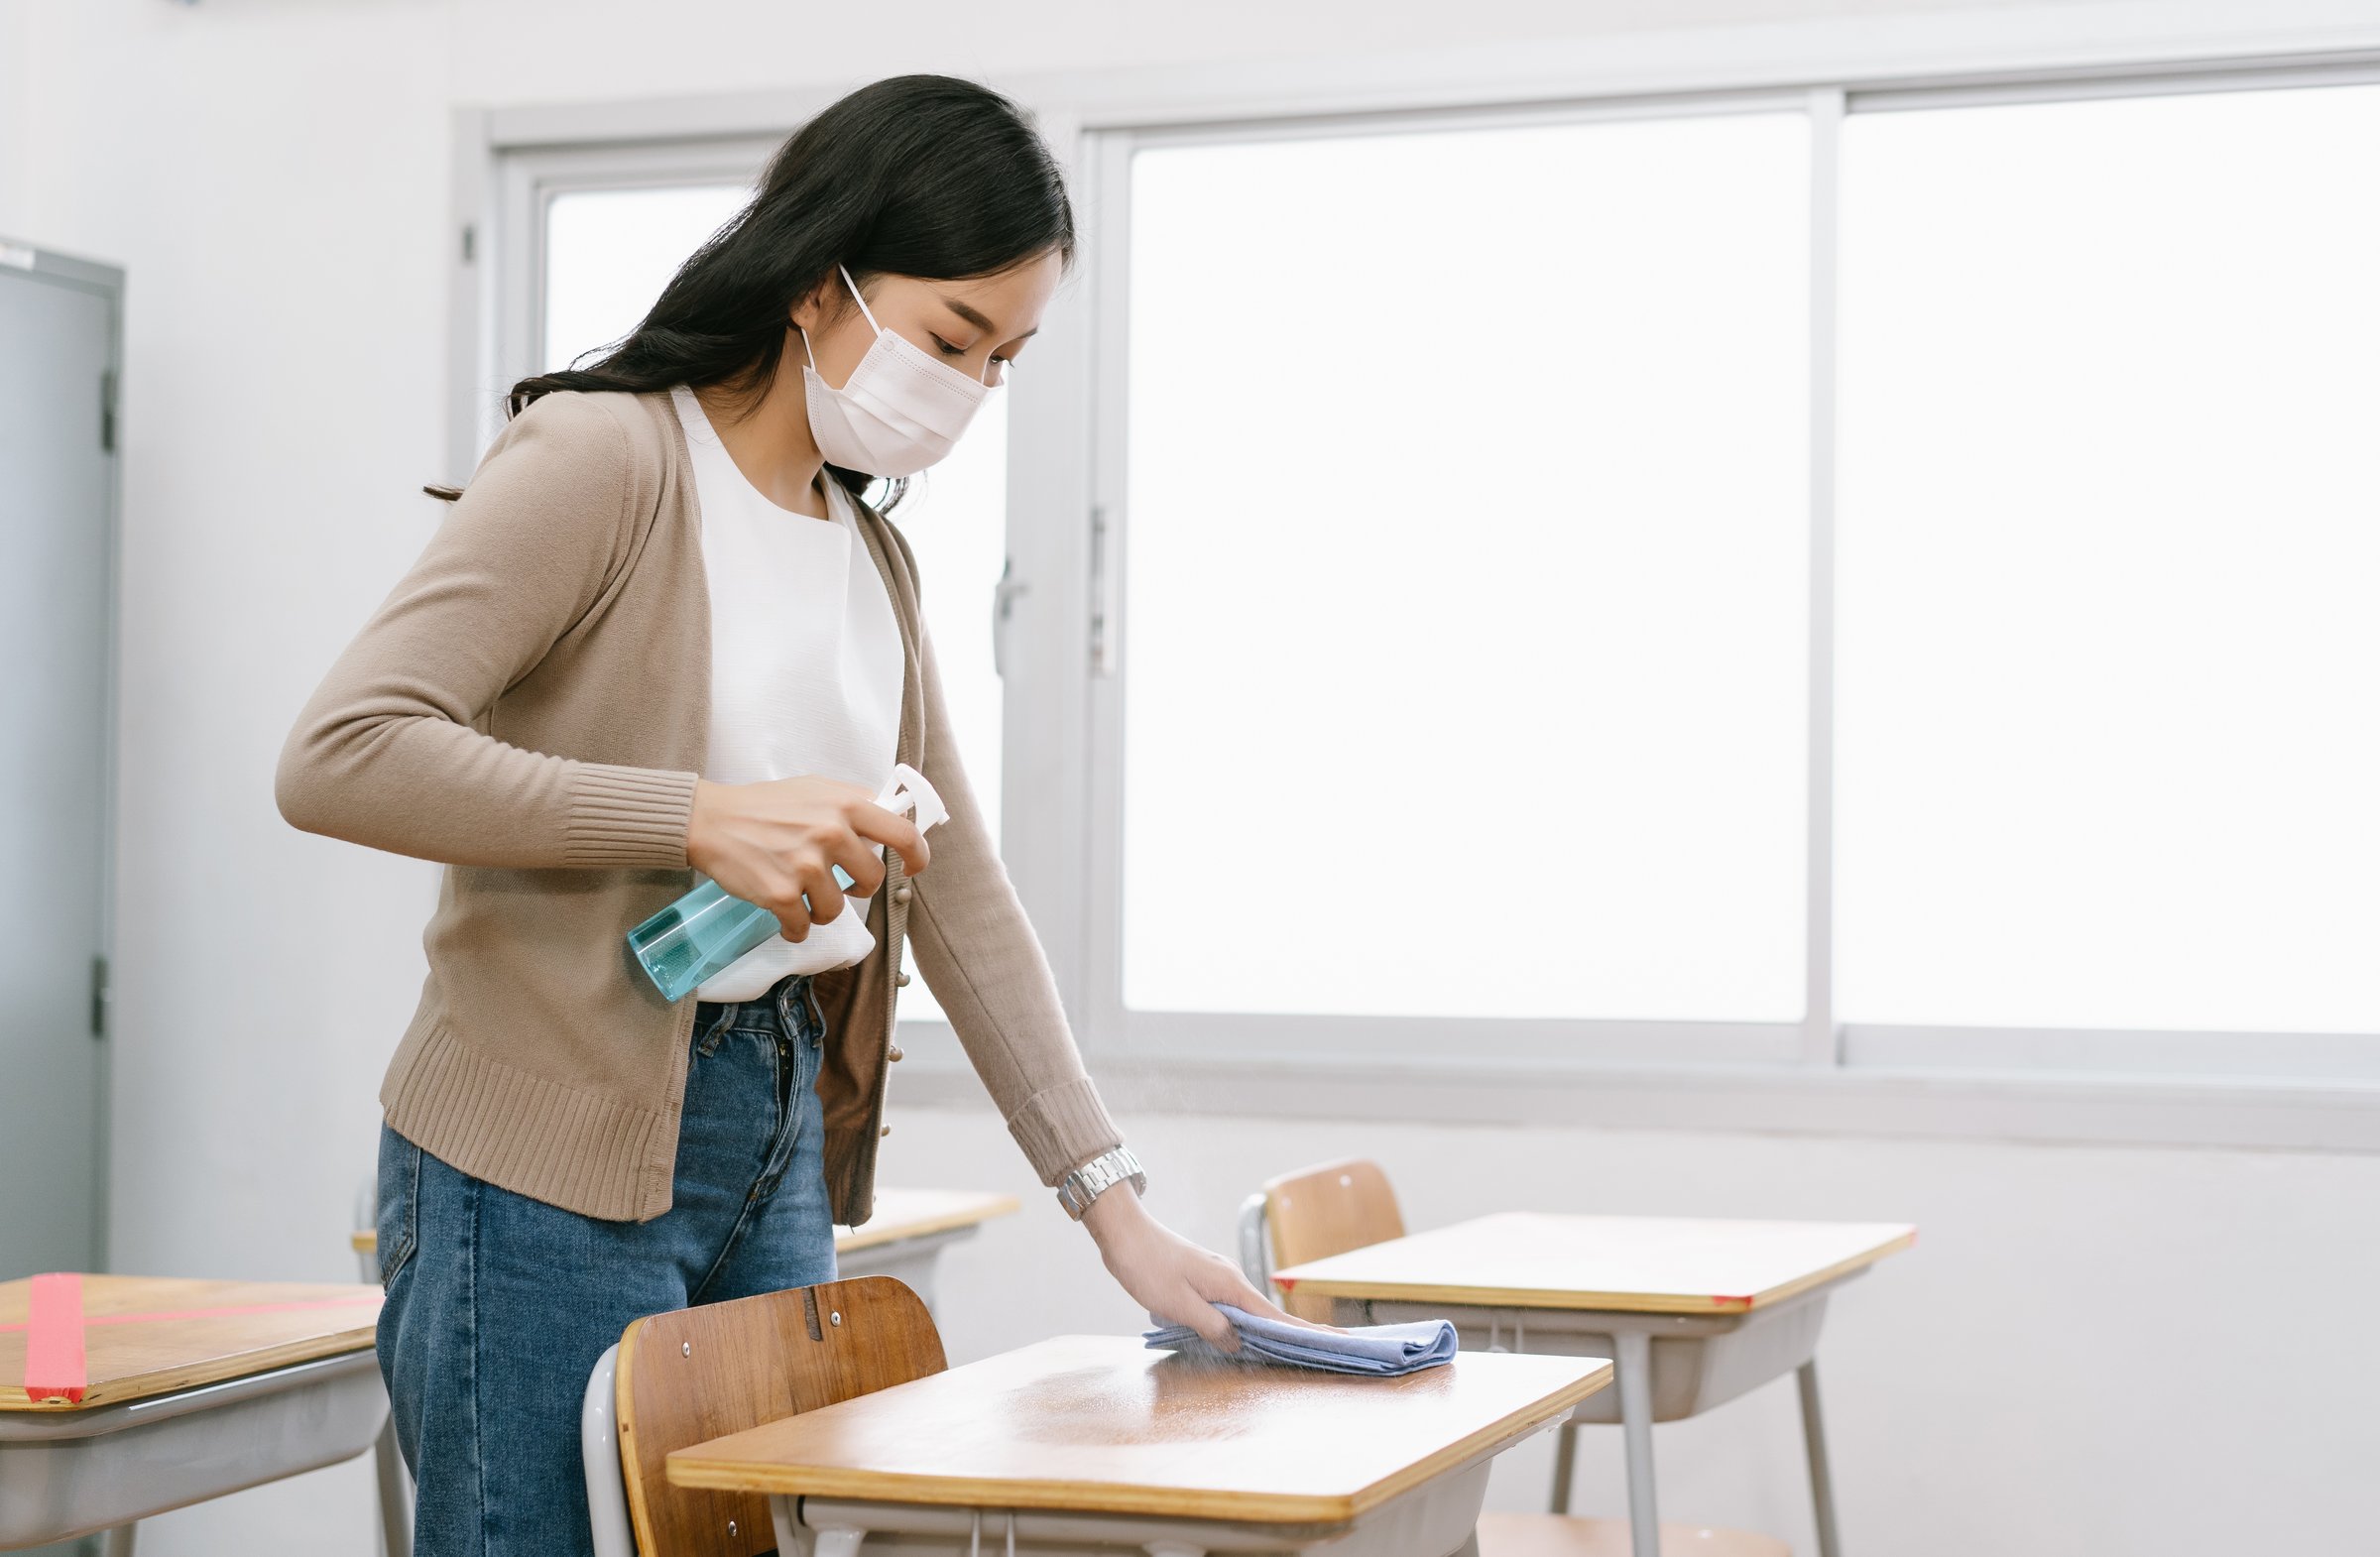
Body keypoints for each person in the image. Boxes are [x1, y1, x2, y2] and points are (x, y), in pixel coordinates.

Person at [276, 72, 1310, 1557]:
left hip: (768, 1132)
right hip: (546, 1149)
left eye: (1005, 359)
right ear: (824, 281)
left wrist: (1116, 1209)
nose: (971, 390)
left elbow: (956, 894)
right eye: (956, 337)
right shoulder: (608, 459)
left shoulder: (864, 550)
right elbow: (341, 751)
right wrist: (696, 819)